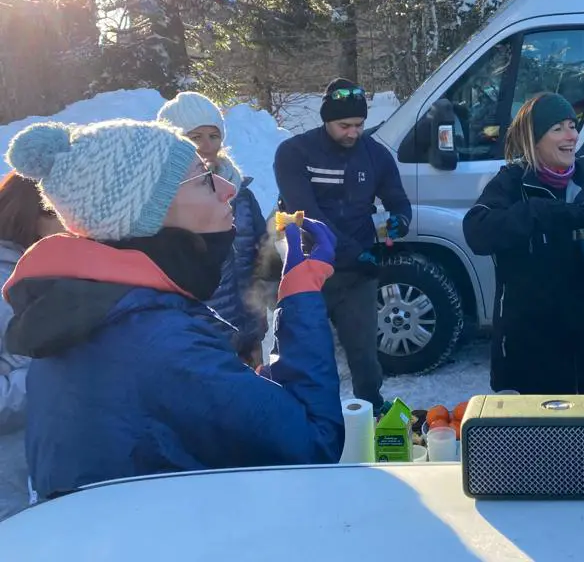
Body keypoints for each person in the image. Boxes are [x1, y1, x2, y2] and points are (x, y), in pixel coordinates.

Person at [3, 118, 344, 500]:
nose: (229, 189)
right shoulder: (158, 342)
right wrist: (301, 296)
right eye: (204, 179)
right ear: (147, 212)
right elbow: (314, 443)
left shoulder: (96, 313)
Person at [463, 93, 584, 394]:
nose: (572, 136)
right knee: (534, 439)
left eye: (572, 125)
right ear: (535, 139)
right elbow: (477, 231)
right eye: (558, 129)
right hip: (527, 351)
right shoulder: (513, 183)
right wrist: (535, 213)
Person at [274, 78, 411, 413]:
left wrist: (399, 220)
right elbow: (308, 214)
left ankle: (371, 411)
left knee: (364, 352)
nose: (353, 132)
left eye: (359, 125)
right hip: (308, 269)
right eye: (344, 125)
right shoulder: (294, 153)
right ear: (326, 120)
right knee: (310, 353)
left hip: (356, 274)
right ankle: (308, 416)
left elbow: (398, 198)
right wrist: (353, 251)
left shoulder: (373, 154)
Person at [158, 92, 269, 367]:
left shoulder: (241, 193)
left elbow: (261, 251)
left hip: (248, 327)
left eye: (213, 135)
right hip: (203, 336)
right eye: (195, 137)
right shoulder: (166, 202)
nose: (208, 146)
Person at [0, 173, 64, 520]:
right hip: (10, 480)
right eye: (56, 212)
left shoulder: (54, 266)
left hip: (50, 457)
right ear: (29, 214)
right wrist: (53, 376)